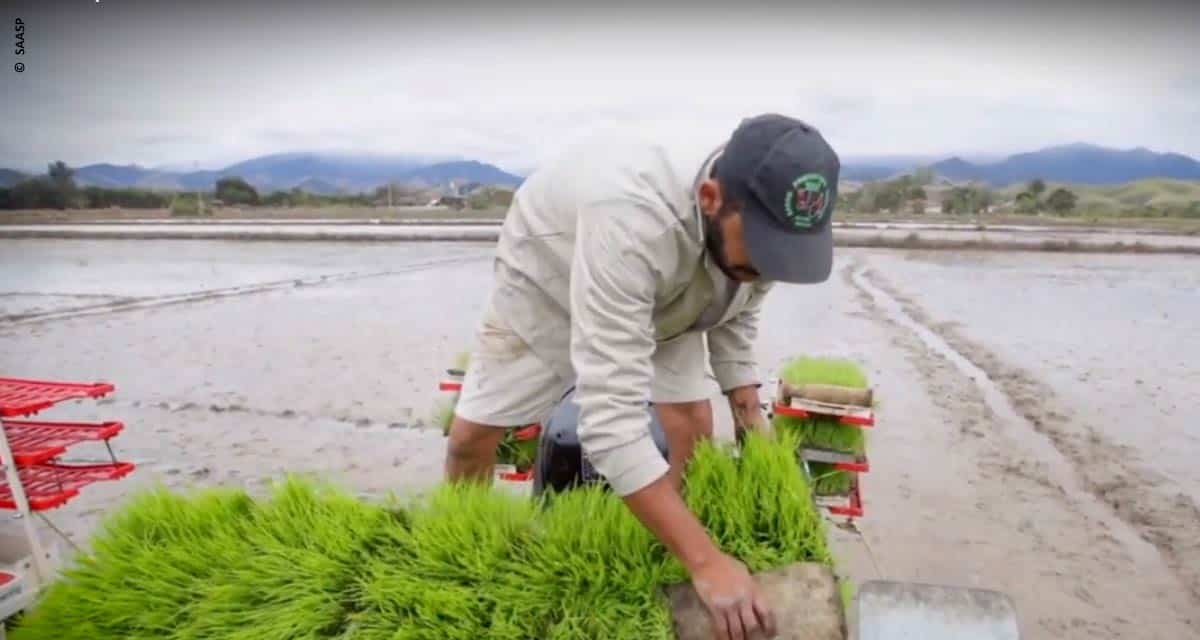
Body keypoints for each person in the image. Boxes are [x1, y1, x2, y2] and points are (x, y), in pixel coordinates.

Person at [444, 113, 840, 640]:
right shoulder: (631, 217)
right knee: (474, 438)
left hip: (674, 282)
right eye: (759, 259)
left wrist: (748, 414)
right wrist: (708, 564)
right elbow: (609, 424)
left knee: (692, 425)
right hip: (551, 271)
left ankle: (656, 546)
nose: (767, 272)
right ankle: (460, 563)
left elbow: (738, 307)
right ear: (709, 198)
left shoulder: (759, 232)